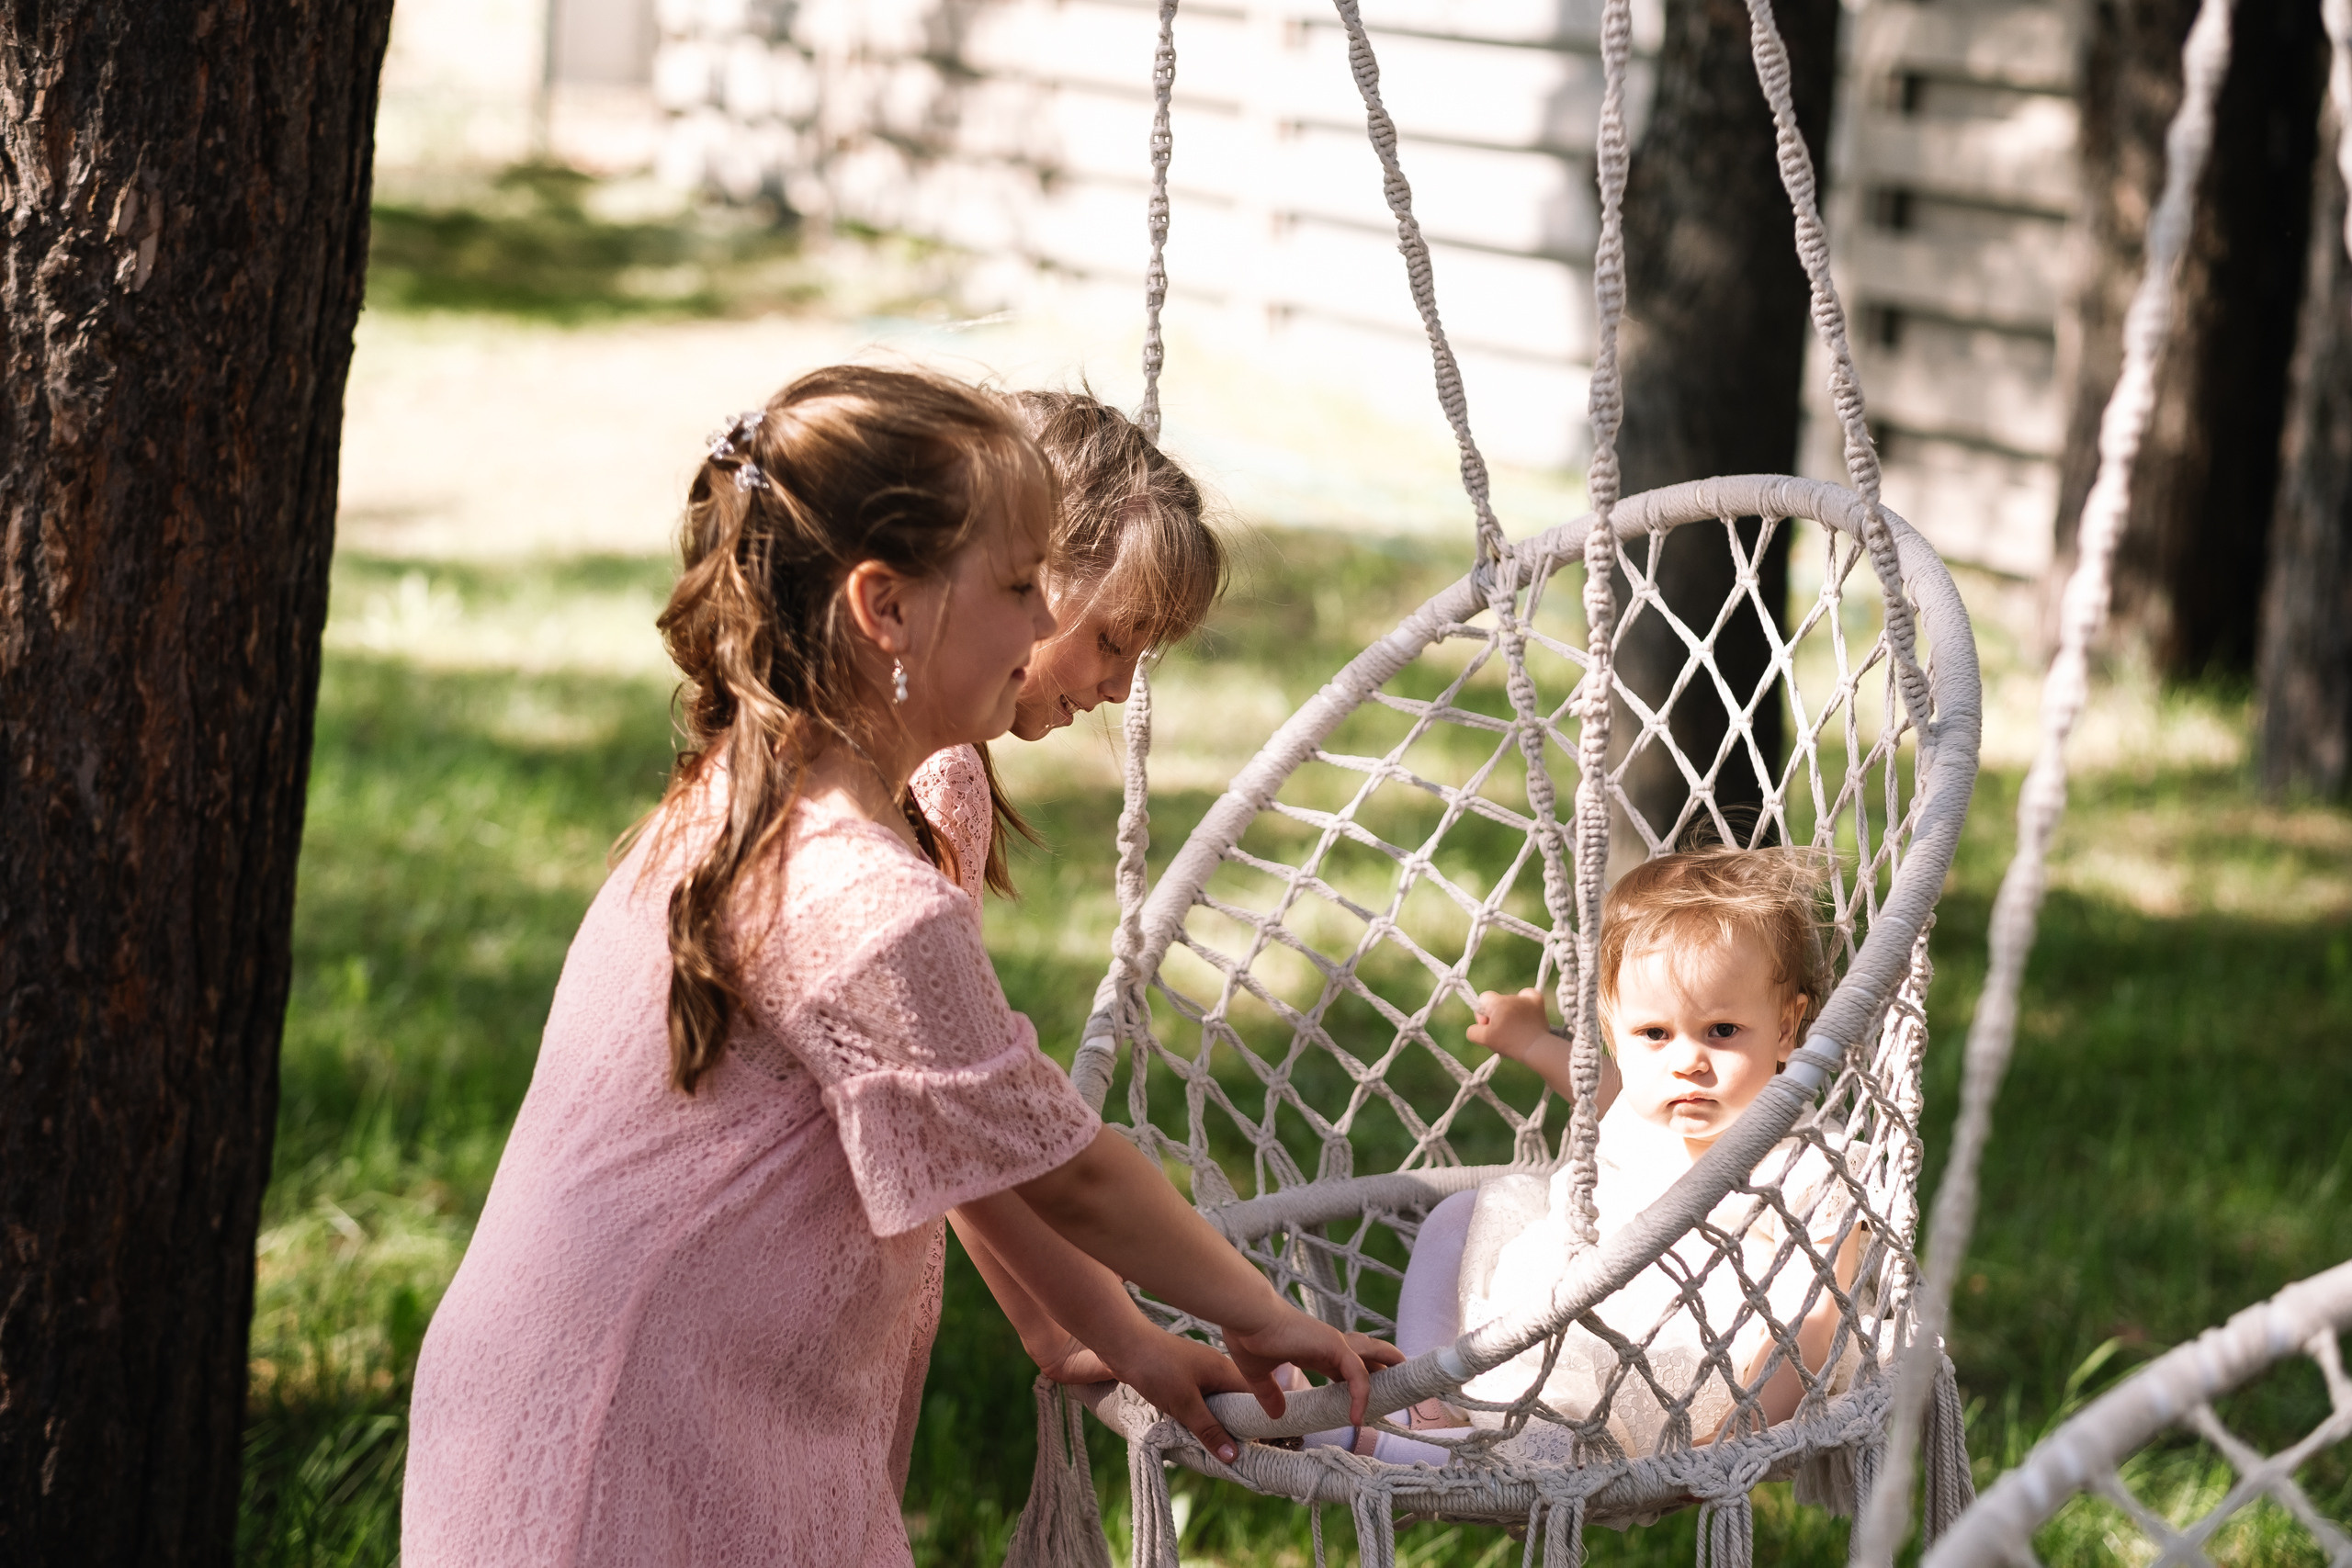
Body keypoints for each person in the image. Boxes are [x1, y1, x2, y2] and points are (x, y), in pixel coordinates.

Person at [401, 367, 1390, 1567]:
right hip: (634, 1422)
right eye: (1025, 588)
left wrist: (1103, 1331)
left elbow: (949, 1125)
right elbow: (1066, 1171)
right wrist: (1268, 1313)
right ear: (886, 609)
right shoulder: (860, 889)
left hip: (686, 1394)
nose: (1043, 630)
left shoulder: (769, 791)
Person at [1305, 846, 1864, 1464]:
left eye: (1722, 1031)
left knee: (1559, 1439)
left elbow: (1813, 1319)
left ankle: (1380, 1445)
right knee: (1458, 1215)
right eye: (1655, 1034)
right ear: (1614, 1035)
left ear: (1788, 1027)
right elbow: (1599, 1091)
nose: (1687, 1061)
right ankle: (1421, 1394)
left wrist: (1743, 1427)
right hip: (1560, 1298)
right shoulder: (1642, 1102)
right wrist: (1530, 1040)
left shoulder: (1804, 1166)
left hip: (1667, 1367)